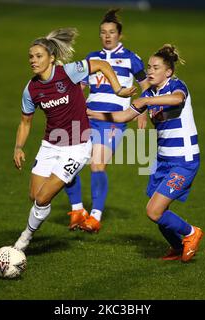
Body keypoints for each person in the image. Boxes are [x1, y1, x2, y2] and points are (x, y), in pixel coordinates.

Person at [12, 28, 136, 251]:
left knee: (42, 199)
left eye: (38, 56)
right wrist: (19, 147)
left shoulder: (69, 72)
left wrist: (118, 89)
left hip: (77, 147)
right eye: (31, 56)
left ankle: (24, 240)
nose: (33, 60)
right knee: (34, 195)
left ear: (51, 58)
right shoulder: (31, 89)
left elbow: (102, 65)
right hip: (50, 145)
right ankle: (77, 211)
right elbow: (25, 122)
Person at [87, 44, 203, 262]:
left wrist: (146, 101)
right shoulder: (150, 92)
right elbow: (122, 117)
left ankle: (191, 233)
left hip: (184, 160)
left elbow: (177, 100)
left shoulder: (176, 86)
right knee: (158, 208)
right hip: (163, 161)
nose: (149, 71)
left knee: (154, 211)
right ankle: (178, 248)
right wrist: (93, 113)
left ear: (168, 72)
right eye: (149, 67)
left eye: (155, 67)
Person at [64, 9, 149, 233]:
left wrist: (142, 111)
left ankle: (95, 217)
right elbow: (80, 87)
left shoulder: (132, 58)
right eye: (103, 32)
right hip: (87, 117)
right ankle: (77, 210)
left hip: (113, 121)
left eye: (111, 32)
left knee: (97, 164)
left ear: (120, 35)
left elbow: (147, 87)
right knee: (67, 163)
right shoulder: (92, 58)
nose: (107, 36)